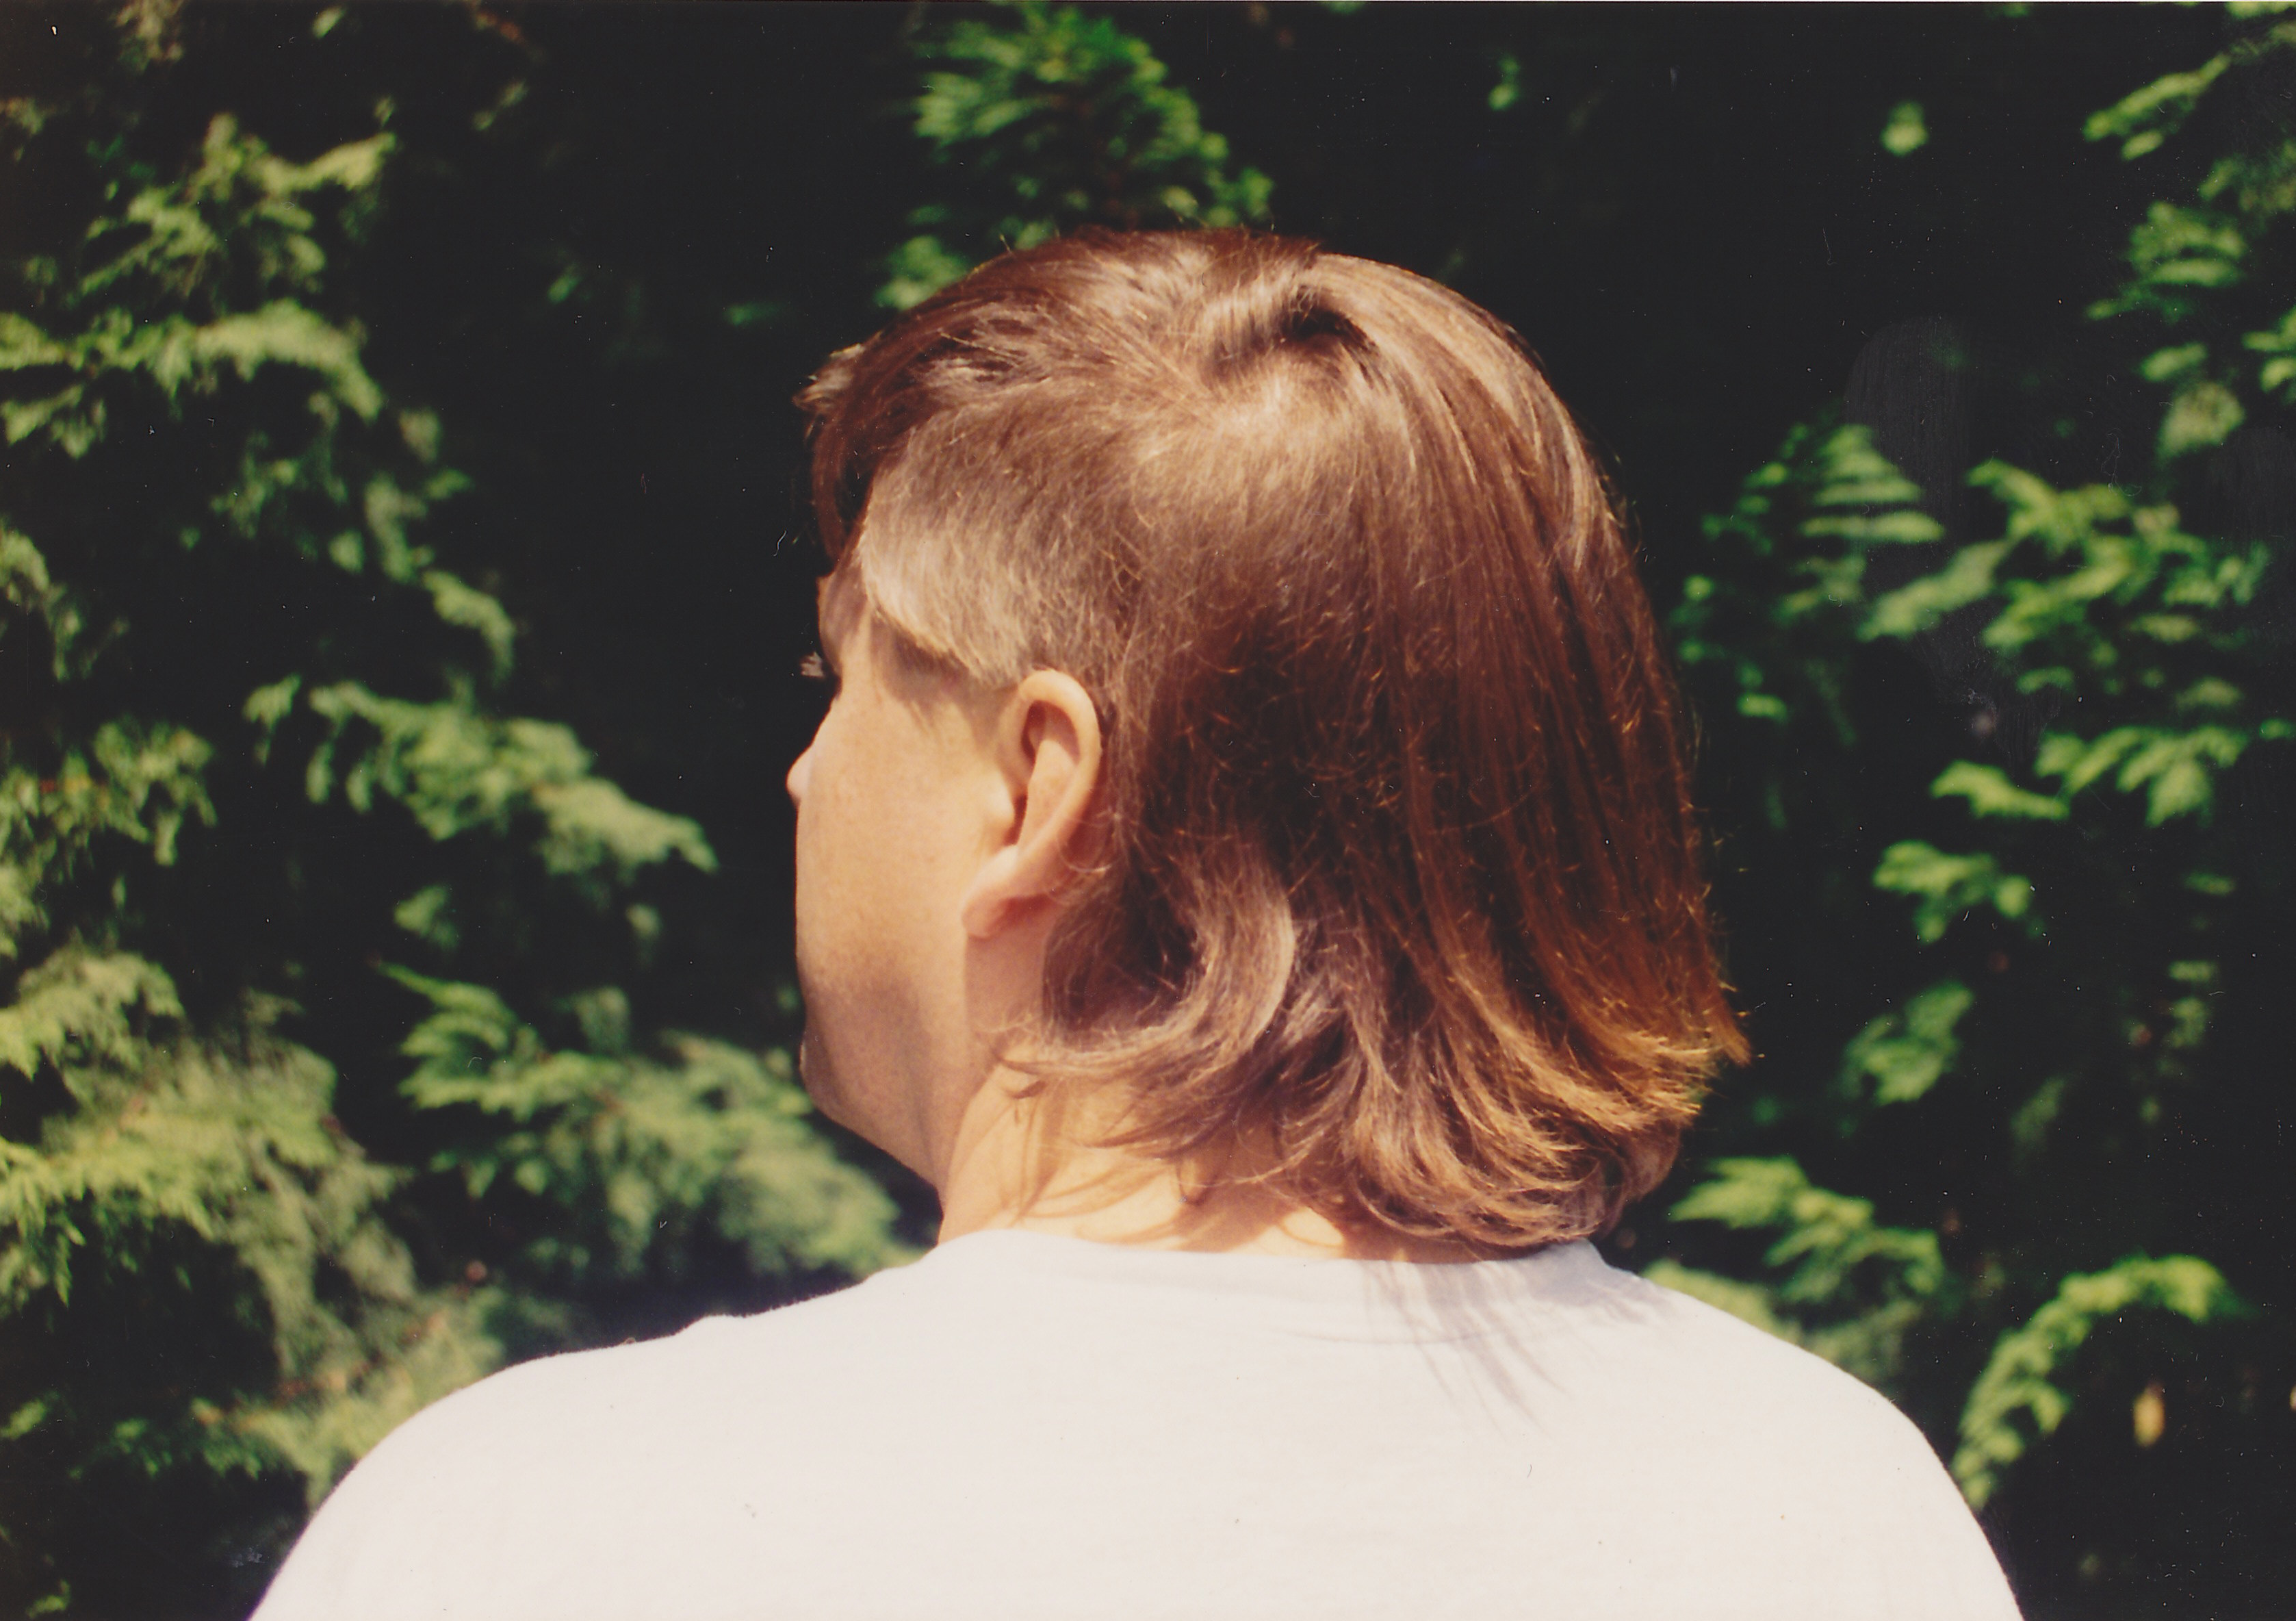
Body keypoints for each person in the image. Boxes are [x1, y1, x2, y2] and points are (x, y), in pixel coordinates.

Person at [253, 229, 2021, 1621]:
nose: (802, 770)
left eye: (841, 675)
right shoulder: (1824, 1520)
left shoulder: (548, 1534)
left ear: (1036, 787)